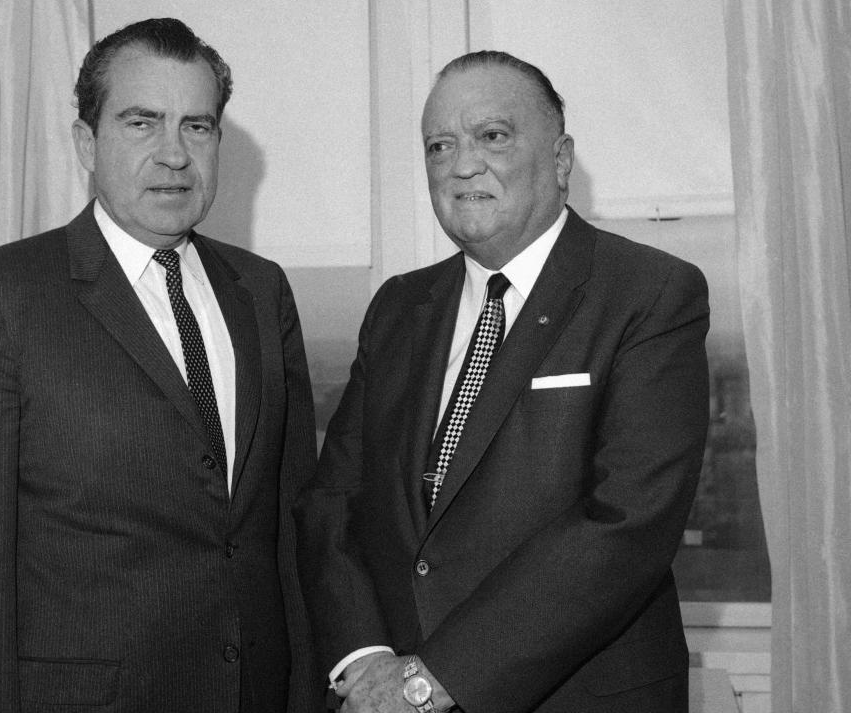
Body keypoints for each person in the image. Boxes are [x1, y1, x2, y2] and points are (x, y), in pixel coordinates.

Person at [0, 18, 318, 713]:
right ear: (86, 143)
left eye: (197, 127)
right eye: (141, 123)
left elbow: (289, 535)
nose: (174, 155)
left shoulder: (262, 291)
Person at [296, 50, 710, 713]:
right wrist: (366, 658)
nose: (462, 166)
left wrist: (430, 681)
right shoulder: (400, 307)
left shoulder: (649, 294)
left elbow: (627, 525)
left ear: (560, 158)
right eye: (440, 146)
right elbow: (333, 502)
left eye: (493, 136)